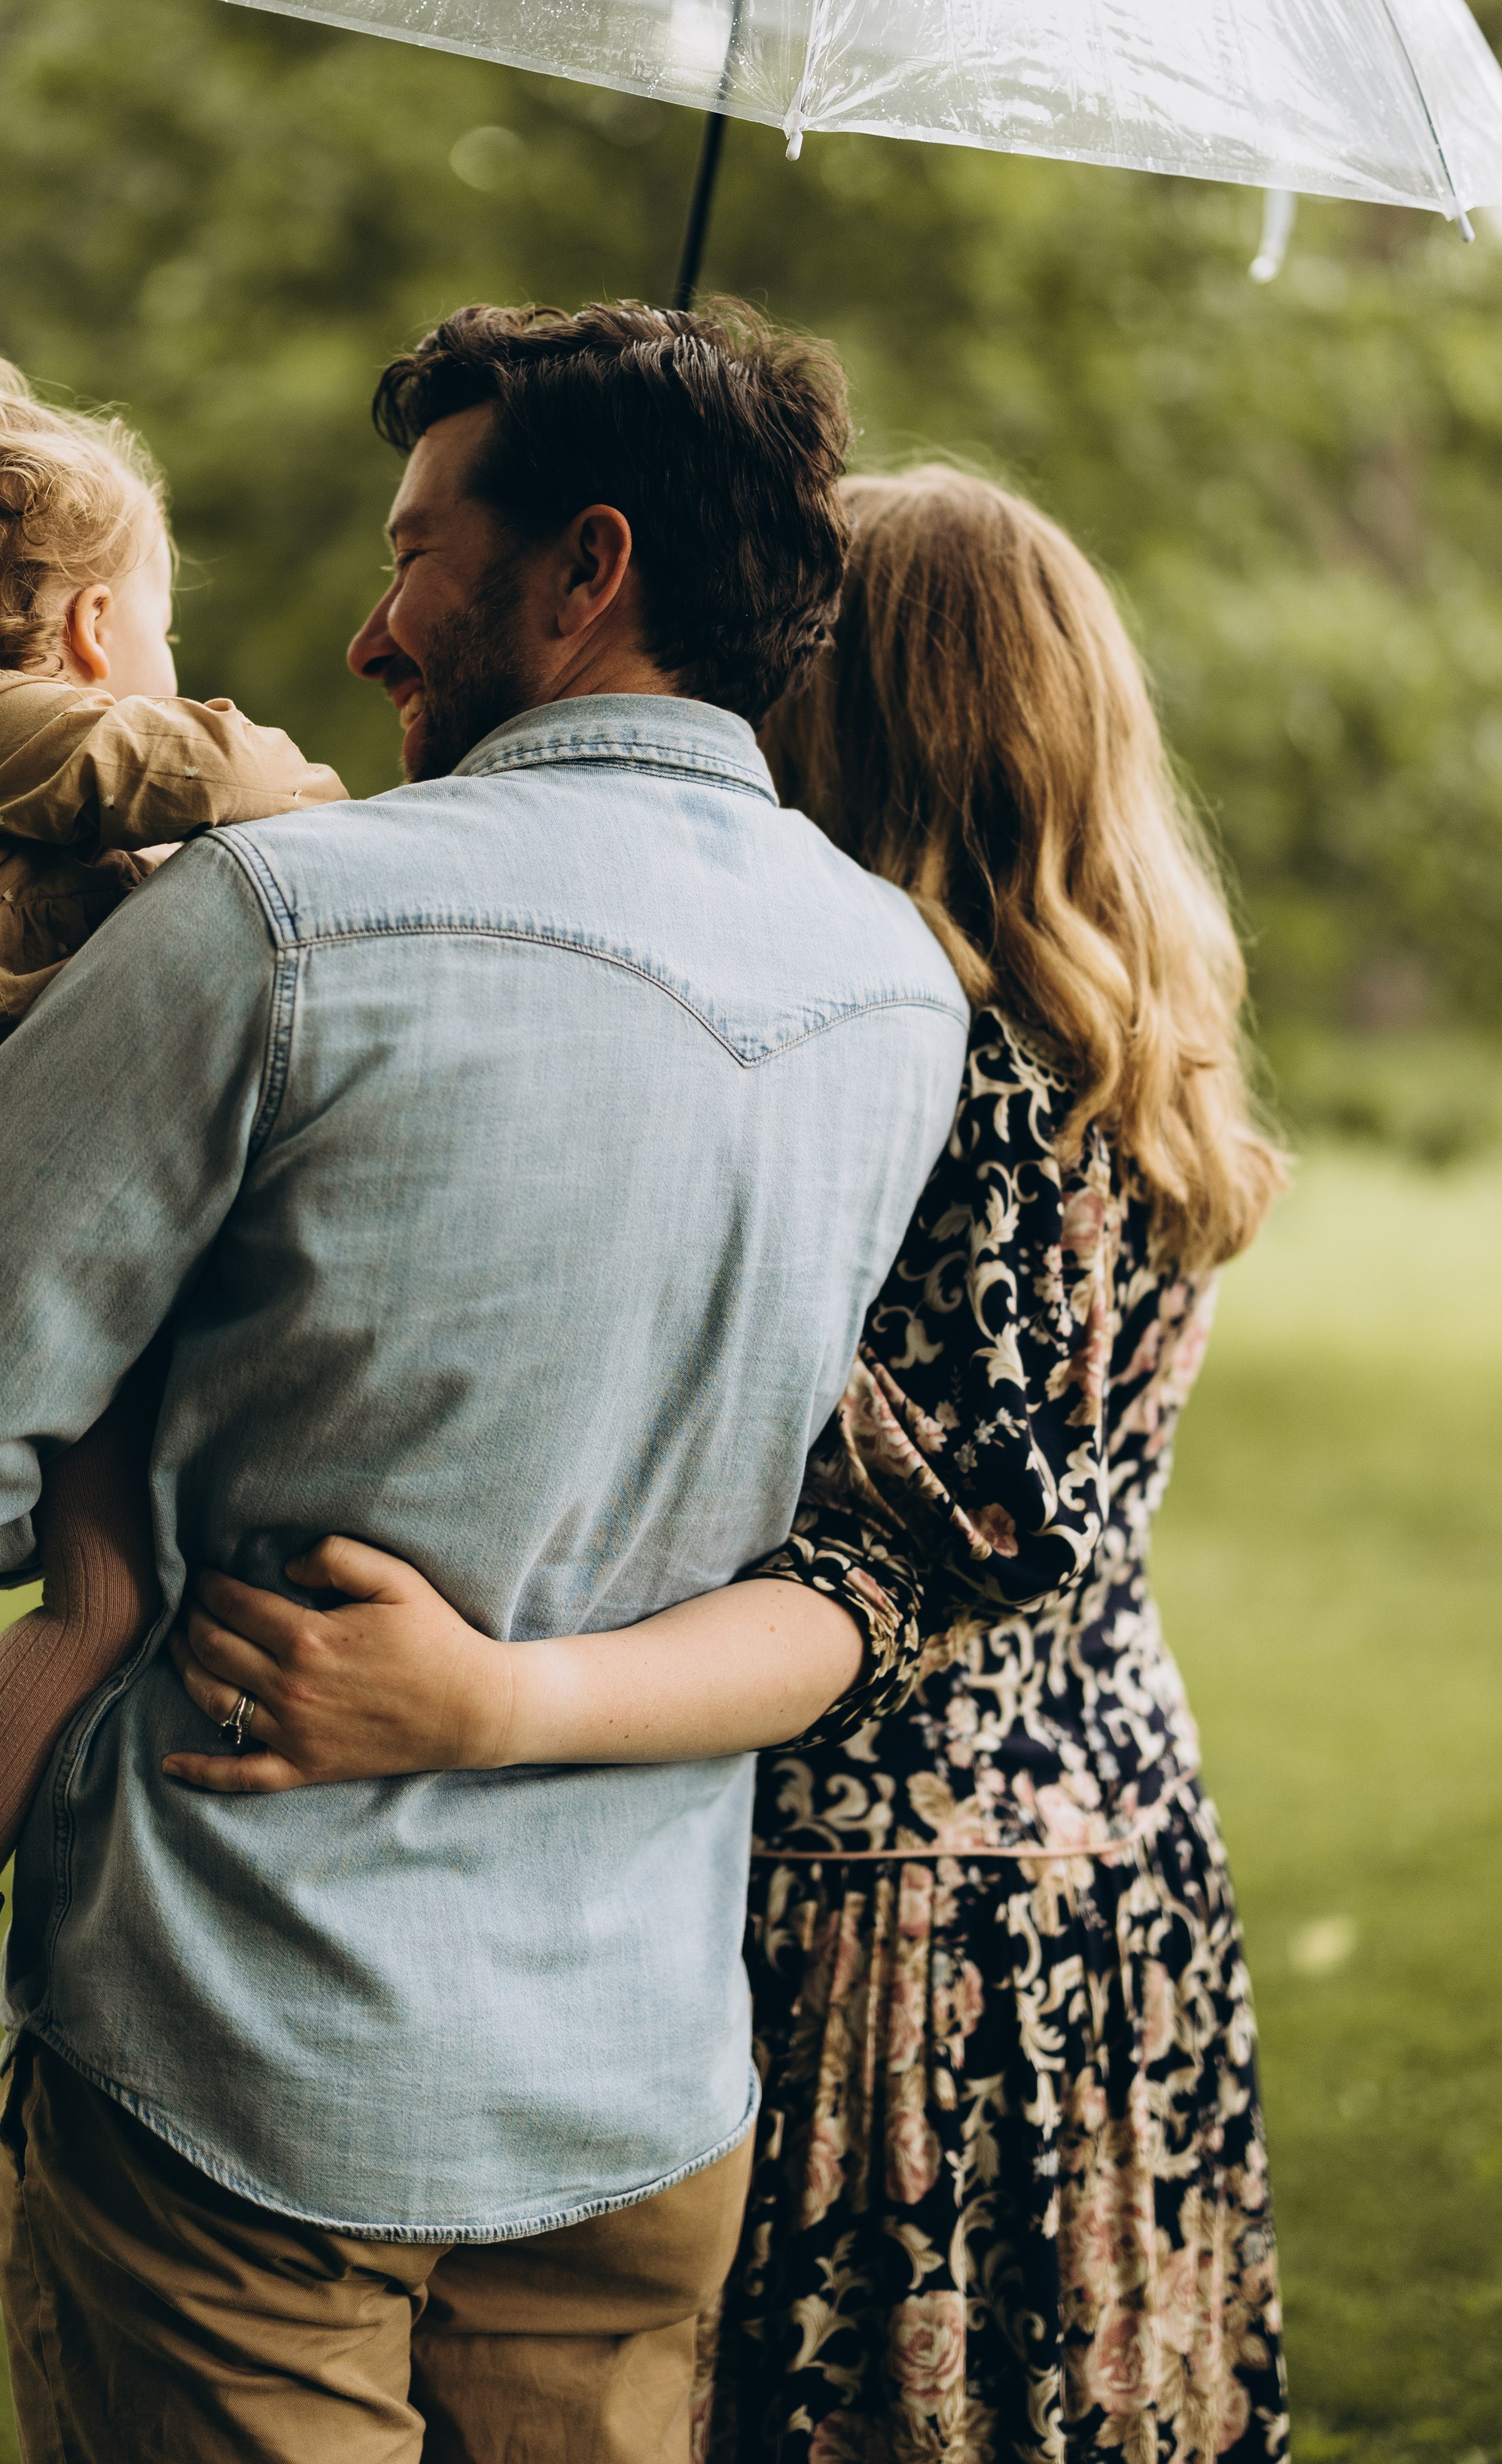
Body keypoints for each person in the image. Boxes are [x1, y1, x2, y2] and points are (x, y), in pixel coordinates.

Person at [0, 300, 971, 2464]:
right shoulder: (898, 983)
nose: (364, 628)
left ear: (588, 566)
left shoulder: (270, 923)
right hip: (632, 2081)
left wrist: (102, 1519)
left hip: (234, 2062)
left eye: (419, 550)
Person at [165, 464, 1293, 2461]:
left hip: (865, 1909)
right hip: (1117, 1851)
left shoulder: (918, 1077)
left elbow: (875, 1549)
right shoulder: (1146, 1061)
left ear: (833, 706)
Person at [0, 346, 344, 2121]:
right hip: (26, 1237)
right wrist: (361, 825)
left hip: (22, 1224)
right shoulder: (4, 736)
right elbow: (223, 774)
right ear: (96, 632)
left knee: (107, 1591)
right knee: (106, 1599)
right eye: (162, 631)